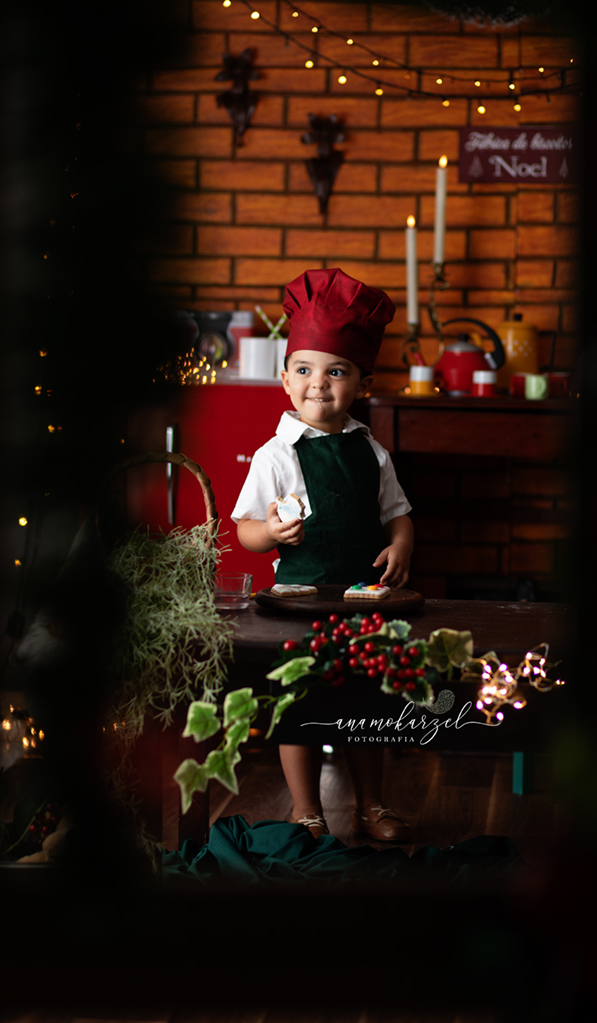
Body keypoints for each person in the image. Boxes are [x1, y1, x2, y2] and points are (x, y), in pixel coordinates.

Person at [231, 268, 414, 843]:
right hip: (297, 600)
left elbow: (397, 512)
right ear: (285, 380)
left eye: (336, 371)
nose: (319, 383)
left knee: (366, 705)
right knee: (299, 704)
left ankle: (372, 806)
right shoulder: (274, 456)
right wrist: (273, 535)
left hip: (364, 599)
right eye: (305, 370)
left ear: (361, 381)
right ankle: (306, 810)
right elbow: (244, 530)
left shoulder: (372, 452)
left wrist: (402, 544)